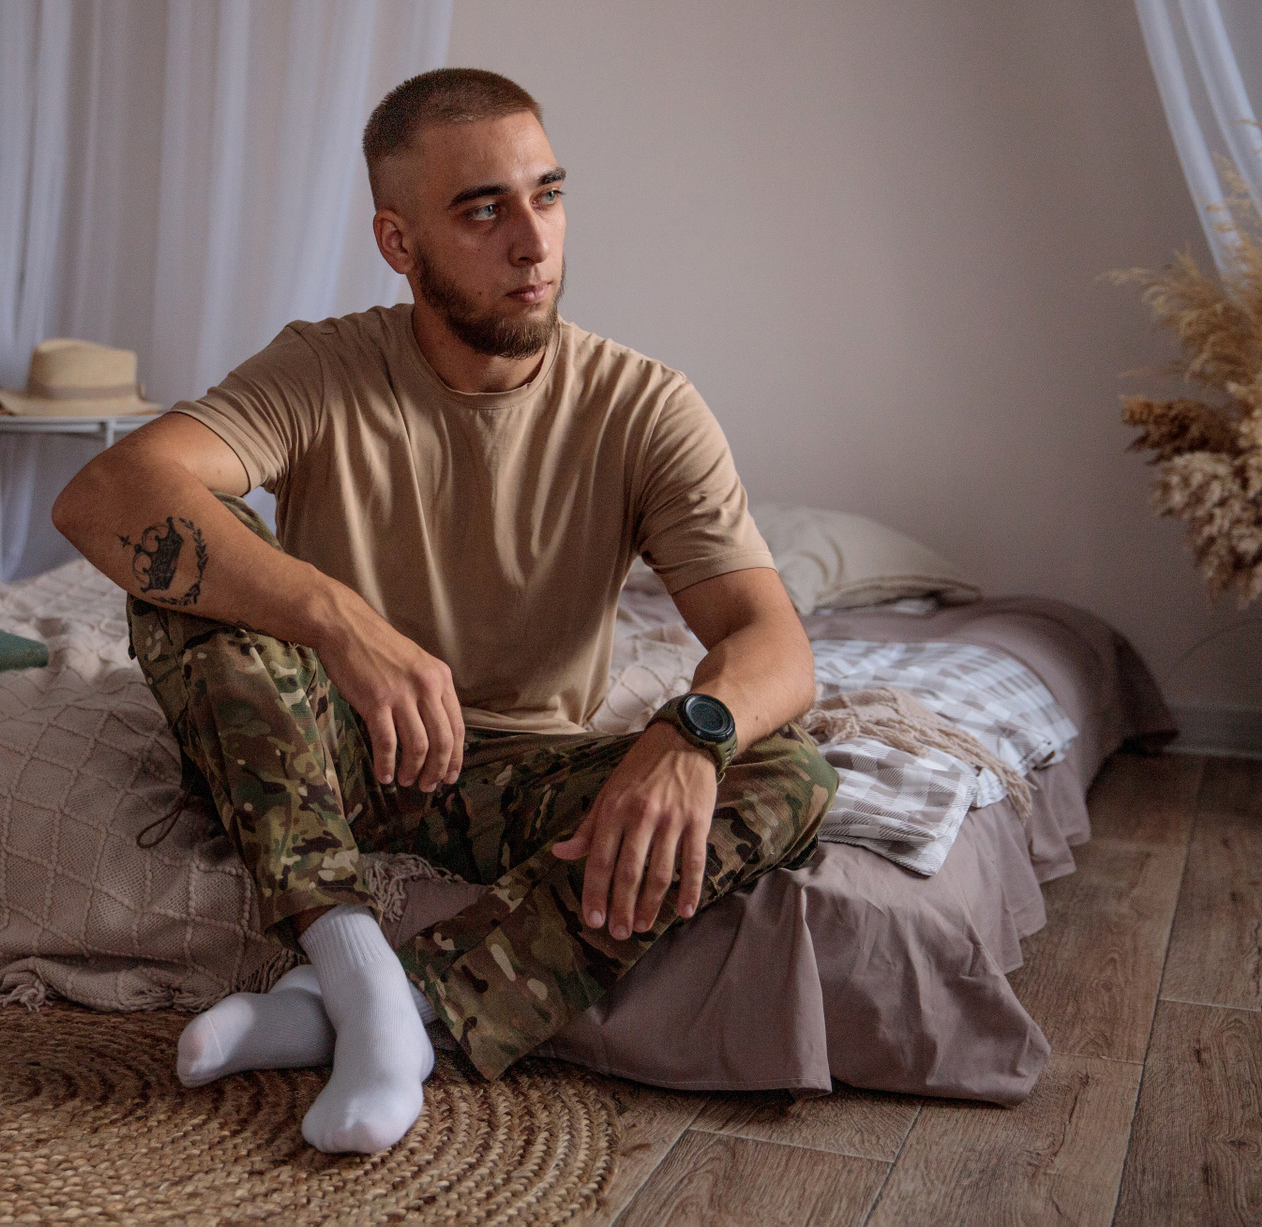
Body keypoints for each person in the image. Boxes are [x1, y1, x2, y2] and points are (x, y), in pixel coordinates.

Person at [53, 68, 835, 1154]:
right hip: (327, 753)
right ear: (398, 241)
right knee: (185, 570)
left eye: (548, 195)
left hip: (519, 773)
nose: (533, 241)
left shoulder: (645, 406)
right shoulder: (323, 367)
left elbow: (774, 642)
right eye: (483, 210)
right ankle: (345, 950)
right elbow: (106, 495)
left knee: (786, 768)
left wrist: (690, 734)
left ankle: (384, 1007)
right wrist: (342, 622)